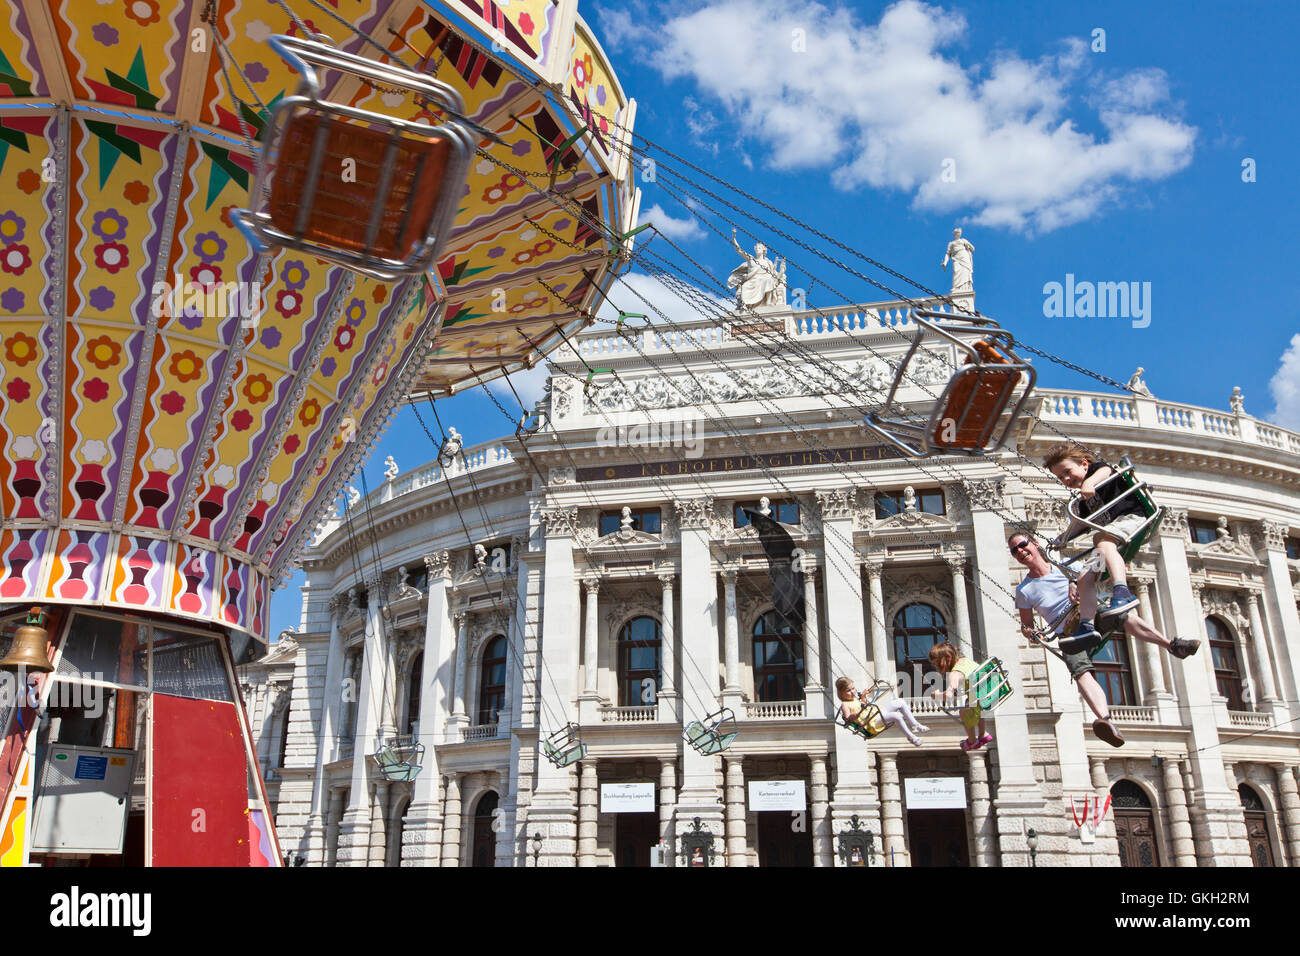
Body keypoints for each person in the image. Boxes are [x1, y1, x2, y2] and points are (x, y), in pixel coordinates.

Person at [1008, 532, 1199, 747]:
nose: (1020, 552)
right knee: (1079, 670)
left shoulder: (1064, 565)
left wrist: (1075, 581)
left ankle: (1173, 645)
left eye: (1022, 545)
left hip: (1089, 613)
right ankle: (1105, 720)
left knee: (1121, 616)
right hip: (1068, 631)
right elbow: (1027, 626)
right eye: (1014, 551)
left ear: (1034, 544)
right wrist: (1032, 634)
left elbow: (1097, 566)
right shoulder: (1024, 590)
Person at [1043, 443, 1144, 653]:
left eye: (1068, 472)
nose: (1066, 480)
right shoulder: (1082, 502)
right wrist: (1063, 538)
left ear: (1084, 464)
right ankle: (1087, 625)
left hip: (1130, 519)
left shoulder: (1099, 471)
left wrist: (1090, 482)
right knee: (1083, 578)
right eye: (1061, 478)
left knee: (1101, 539)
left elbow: (1106, 469)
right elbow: (1080, 523)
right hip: (1111, 536)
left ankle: (1122, 591)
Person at [927, 642, 991, 751]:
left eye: (937, 663)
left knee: (963, 710)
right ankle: (982, 733)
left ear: (948, 658)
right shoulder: (966, 661)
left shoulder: (954, 674)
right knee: (972, 701)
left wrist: (936, 695)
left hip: (977, 701)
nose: (936, 667)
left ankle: (972, 741)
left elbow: (948, 695)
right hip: (988, 695)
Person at [835, 676, 929, 746]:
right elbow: (847, 718)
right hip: (871, 723)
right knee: (896, 716)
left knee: (900, 702)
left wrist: (863, 696)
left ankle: (915, 725)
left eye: (853, 688)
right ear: (842, 693)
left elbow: (864, 704)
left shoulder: (856, 699)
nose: (852, 692)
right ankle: (911, 737)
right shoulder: (845, 704)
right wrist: (854, 715)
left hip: (876, 713)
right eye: (848, 691)